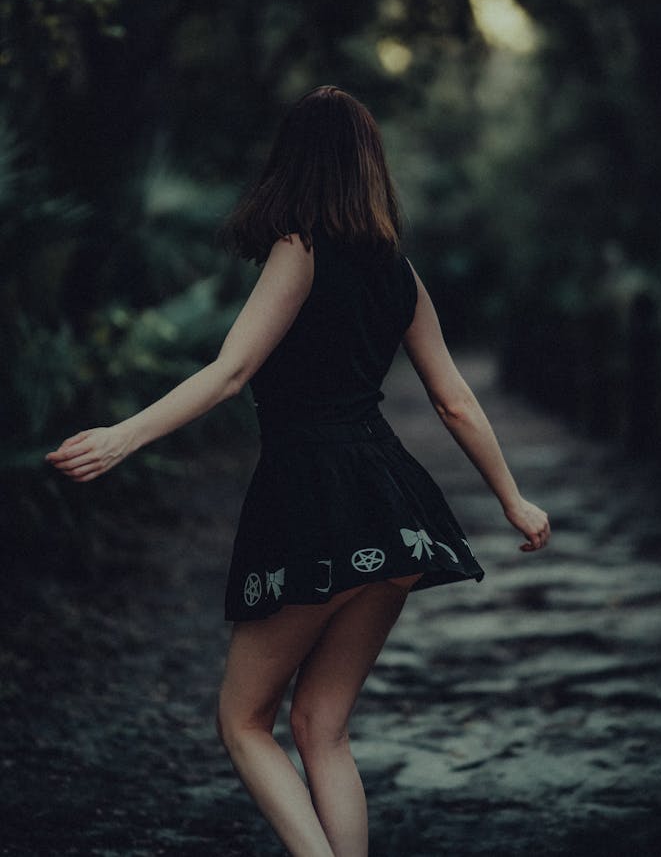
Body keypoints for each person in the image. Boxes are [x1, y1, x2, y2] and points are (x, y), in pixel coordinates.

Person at [46, 86, 550, 857]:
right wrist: (512, 500)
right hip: (393, 507)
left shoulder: (301, 245)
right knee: (323, 725)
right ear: (369, 166)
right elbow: (453, 401)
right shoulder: (399, 274)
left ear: (294, 162)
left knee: (243, 720)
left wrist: (122, 436)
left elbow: (230, 371)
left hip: (316, 497)